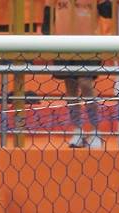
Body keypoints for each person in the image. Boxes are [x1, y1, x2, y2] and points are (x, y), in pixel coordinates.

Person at [43, 0, 106, 148]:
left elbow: (107, 10)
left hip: (89, 43)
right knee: (71, 87)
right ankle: (77, 130)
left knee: (85, 83)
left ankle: (96, 131)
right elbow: (48, 14)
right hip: (63, 43)